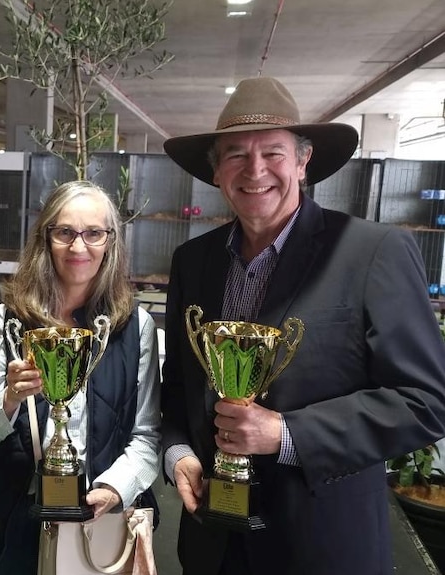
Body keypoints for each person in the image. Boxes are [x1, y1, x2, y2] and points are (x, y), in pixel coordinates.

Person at [160, 76, 445, 575]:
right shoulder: (193, 261)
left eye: (273, 152)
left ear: (302, 160)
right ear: (216, 170)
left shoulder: (370, 253)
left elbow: (426, 400)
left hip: (322, 546)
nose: (255, 171)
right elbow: (181, 387)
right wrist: (178, 451)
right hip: (213, 543)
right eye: (235, 155)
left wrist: (287, 433)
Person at [0, 181, 161, 574]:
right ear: (46, 239)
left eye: (94, 233)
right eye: (65, 232)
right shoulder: (8, 322)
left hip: (102, 520)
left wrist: (114, 489)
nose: (78, 247)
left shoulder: (133, 326)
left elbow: (147, 435)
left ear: (110, 241)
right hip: (18, 521)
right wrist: (9, 399)